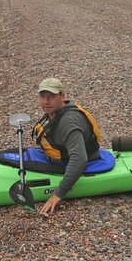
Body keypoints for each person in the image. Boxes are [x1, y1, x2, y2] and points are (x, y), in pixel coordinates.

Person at [32, 77, 102, 214]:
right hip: (62, 155)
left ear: (63, 96)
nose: (46, 102)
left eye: (51, 96)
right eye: (42, 96)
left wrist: (58, 194)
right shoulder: (54, 112)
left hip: (84, 161)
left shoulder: (69, 122)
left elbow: (79, 160)